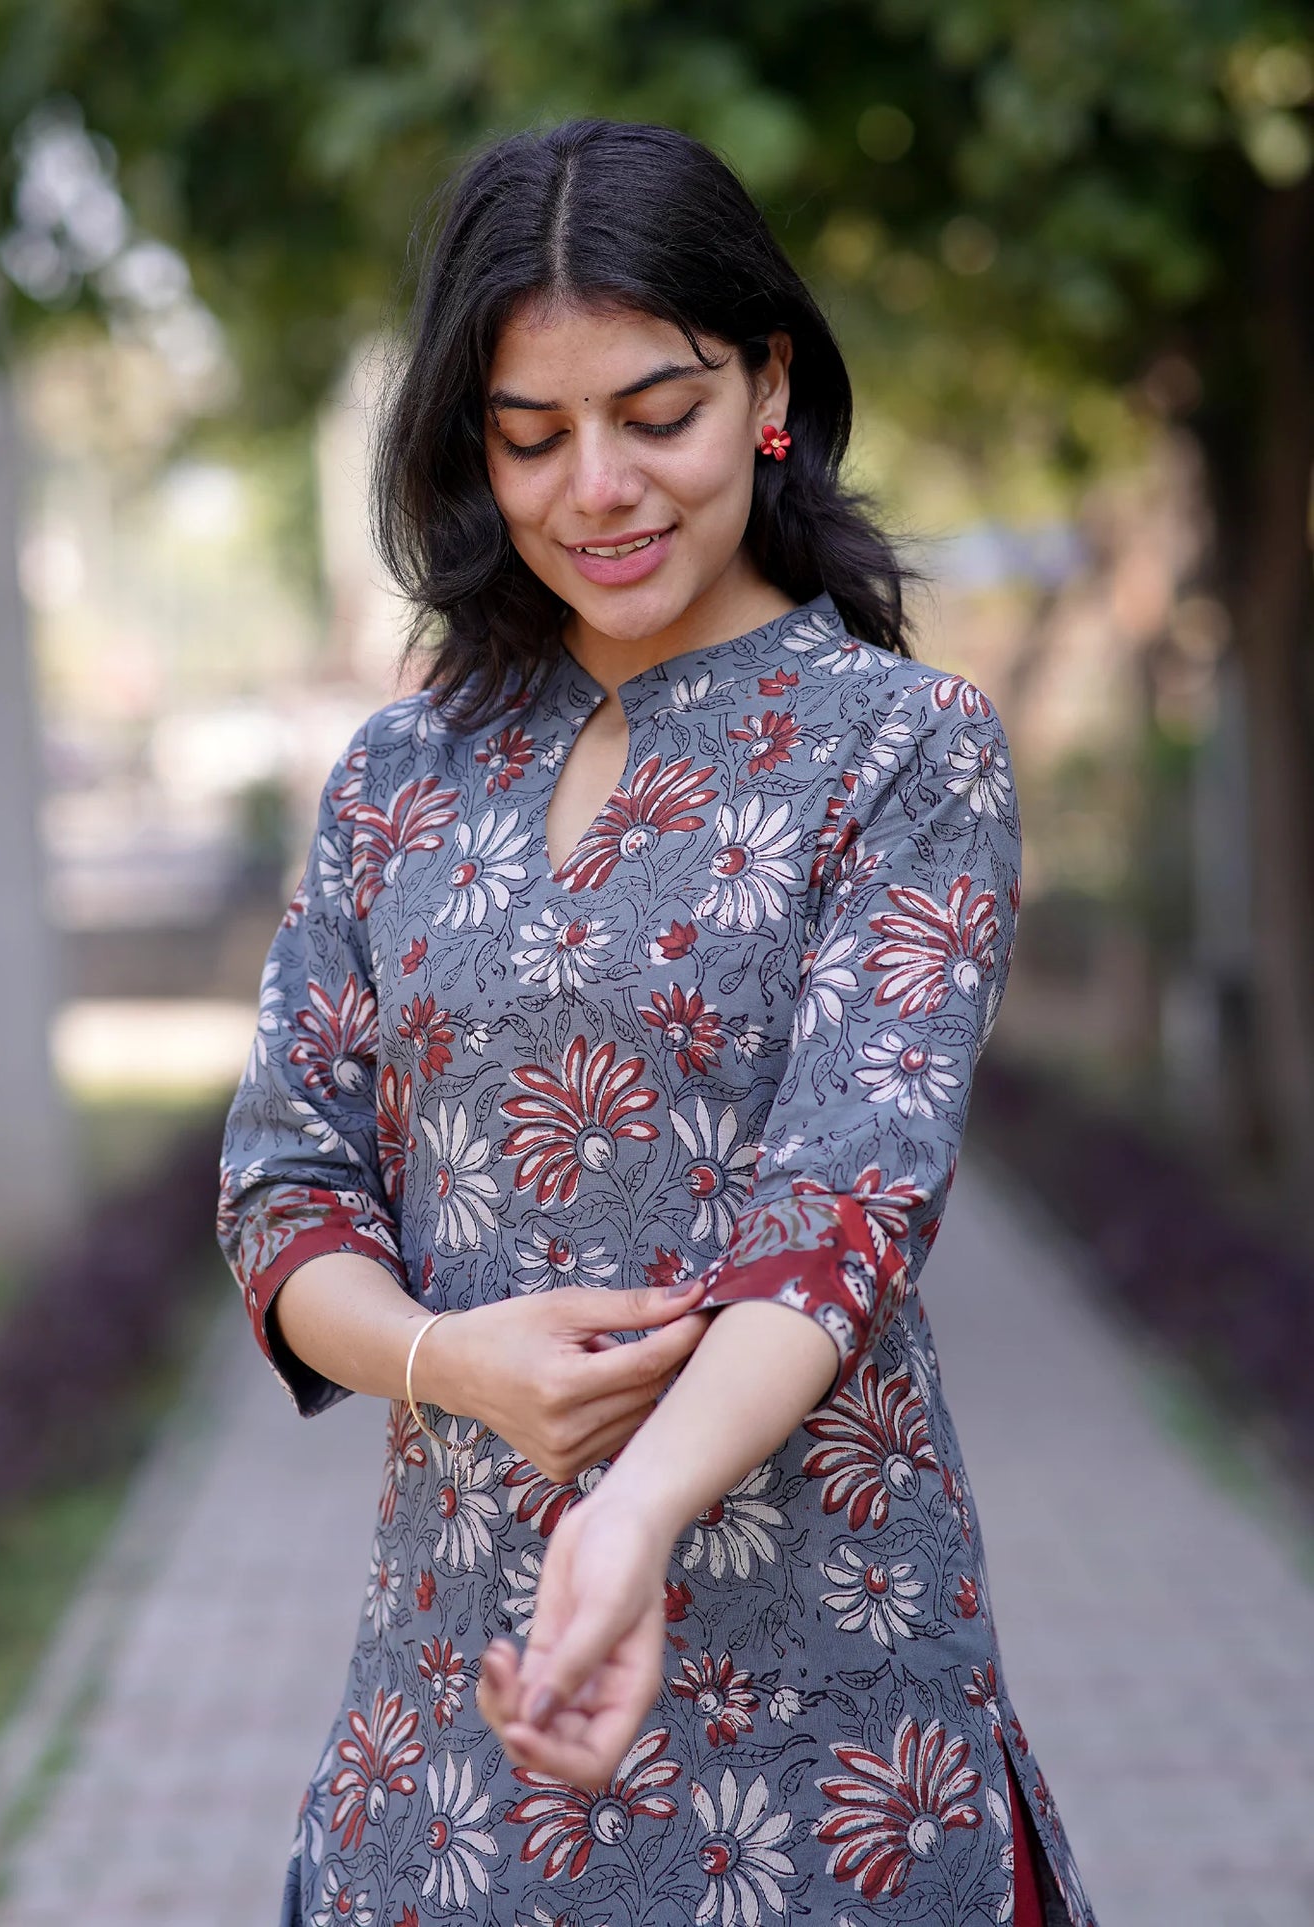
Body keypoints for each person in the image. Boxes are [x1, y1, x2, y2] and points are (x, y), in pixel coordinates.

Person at [217, 118, 1096, 1927]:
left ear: (769, 386)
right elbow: (282, 1185)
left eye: (657, 414)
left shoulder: (902, 749)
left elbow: (843, 1208)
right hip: (451, 1722)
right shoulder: (400, 771)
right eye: (530, 438)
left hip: (827, 1720)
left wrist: (626, 1520)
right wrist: (445, 1364)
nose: (597, 490)